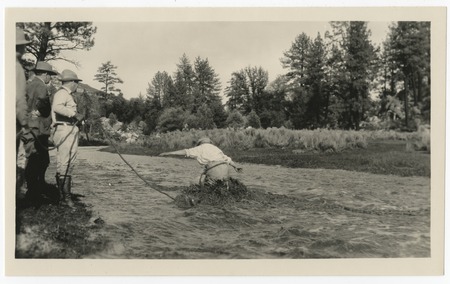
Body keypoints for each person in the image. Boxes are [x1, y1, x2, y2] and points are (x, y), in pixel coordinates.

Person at [24, 61, 58, 202]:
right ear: (44, 74)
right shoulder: (41, 86)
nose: (50, 77)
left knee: (34, 159)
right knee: (38, 160)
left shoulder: (28, 85)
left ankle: (35, 190)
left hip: (28, 128)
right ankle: (33, 193)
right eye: (49, 75)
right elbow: (44, 107)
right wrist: (38, 113)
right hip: (38, 129)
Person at [51, 69, 84, 207]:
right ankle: (65, 198)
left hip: (69, 129)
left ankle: (63, 197)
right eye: (76, 82)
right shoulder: (62, 93)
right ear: (71, 82)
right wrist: (74, 115)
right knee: (65, 162)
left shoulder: (67, 94)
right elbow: (57, 107)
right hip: (65, 129)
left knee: (68, 162)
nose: (77, 85)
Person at [159, 137, 243, 186]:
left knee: (194, 183)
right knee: (220, 184)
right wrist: (236, 167)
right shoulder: (216, 149)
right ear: (210, 143)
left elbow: (184, 152)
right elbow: (229, 160)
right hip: (225, 169)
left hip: (213, 169)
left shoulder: (200, 148)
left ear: (200, 143)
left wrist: (168, 153)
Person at [16, 27, 31, 197]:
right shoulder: (17, 68)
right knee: (18, 160)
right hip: (13, 124)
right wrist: (25, 123)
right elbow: (19, 100)